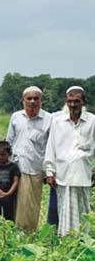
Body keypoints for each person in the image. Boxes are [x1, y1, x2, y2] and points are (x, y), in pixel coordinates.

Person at [44, 86, 95, 236]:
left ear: (83, 102)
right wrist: (49, 171)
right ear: (66, 102)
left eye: (77, 101)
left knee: (83, 211)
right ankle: (65, 240)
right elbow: (51, 148)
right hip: (62, 175)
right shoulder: (57, 122)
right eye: (70, 101)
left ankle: (83, 241)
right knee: (64, 210)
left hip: (83, 175)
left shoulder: (92, 121)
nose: (73, 105)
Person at [7, 86, 51, 232]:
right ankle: (12, 231)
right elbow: (9, 141)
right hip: (16, 167)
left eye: (36, 98)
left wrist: (48, 171)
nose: (32, 101)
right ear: (23, 101)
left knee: (31, 205)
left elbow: (51, 147)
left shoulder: (49, 119)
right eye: (29, 98)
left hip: (35, 168)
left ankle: (28, 233)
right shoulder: (16, 117)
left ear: (41, 101)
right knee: (13, 203)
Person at [0, 141, 20, 221]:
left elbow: (16, 181)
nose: (0, 157)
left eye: (3, 155)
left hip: (10, 197)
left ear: (9, 154)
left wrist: (8, 193)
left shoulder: (14, 167)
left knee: (9, 217)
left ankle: (8, 232)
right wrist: (0, 192)